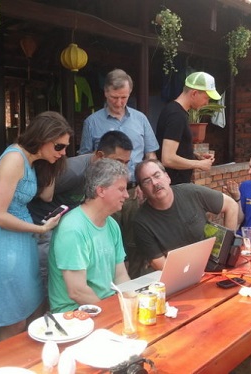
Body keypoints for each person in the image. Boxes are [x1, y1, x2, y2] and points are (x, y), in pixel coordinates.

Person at [0, 111, 73, 341]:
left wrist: (50, 163)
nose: (63, 153)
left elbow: (48, 196)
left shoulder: (30, 161)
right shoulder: (15, 158)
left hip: (20, 241)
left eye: (65, 148)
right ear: (43, 138)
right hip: (4, 242)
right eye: (59, 147)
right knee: (15, 320)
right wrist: (40, 229)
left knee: (33, 309)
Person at [79, 68, 159, 278]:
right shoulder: (92, 122)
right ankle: (109, 290)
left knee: (136, 242)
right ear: (105, 93)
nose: (119, 102)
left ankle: (132, 286)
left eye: (124, 97)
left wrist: (146, 184)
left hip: (135, 192)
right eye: (115, 97)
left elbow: (150, 156)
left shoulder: (141, 119)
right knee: (105, 244)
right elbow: (86, 160)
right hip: (105, 194)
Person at [28, 130, 133, 289]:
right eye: (118, 161)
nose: (122, 167)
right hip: (45, 226)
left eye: (126, 162)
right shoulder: (73, 172)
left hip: (73, 225)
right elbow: (36, 195)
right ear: (100, 155)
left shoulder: (110, 224)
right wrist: (42, 228)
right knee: (47, 281)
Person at [48, 158, 131, 312]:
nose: (126, 195)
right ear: (101, 191)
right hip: (76, 312)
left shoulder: (112, 225)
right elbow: (77, 291)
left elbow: (120, 275)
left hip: (106, 304)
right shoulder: (73, 228)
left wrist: (132, 303)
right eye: (121, 189)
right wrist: (112, 313)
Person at [133, 159, 239, 271]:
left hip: (212, 266)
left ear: (167, 177)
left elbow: (231, 205)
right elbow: (162, 266)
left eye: (157, 175)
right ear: (142, 190)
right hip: (179, 274)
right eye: (147, 181)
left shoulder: (191, 192)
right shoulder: (141, 222)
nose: (154, 183)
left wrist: (225, 252)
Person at [155, 72, 221, 185]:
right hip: (174, 186)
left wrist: (196, 157)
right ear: (194, 93)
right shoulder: (176, 115)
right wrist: (199, 164)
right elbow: (167, 159)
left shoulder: (176, 111)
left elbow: (177, 149)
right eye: (206, 98)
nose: (207, 103)